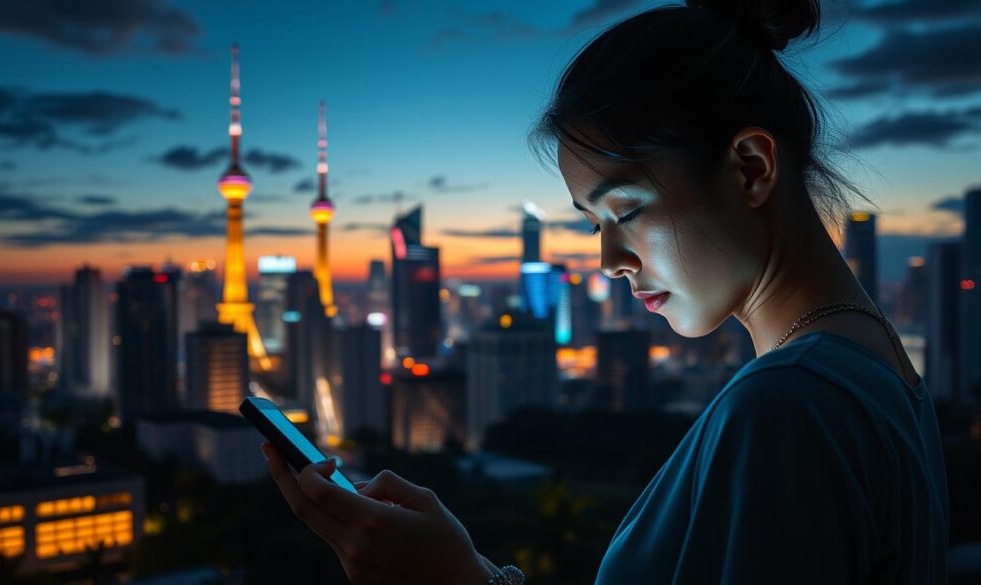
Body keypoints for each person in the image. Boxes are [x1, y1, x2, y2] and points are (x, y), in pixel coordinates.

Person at [263, 0, 950, 582]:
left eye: (625, 210)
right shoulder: (880, 370)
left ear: (749, 168)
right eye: (593, 224)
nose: (609, 260)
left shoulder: (787, 405)